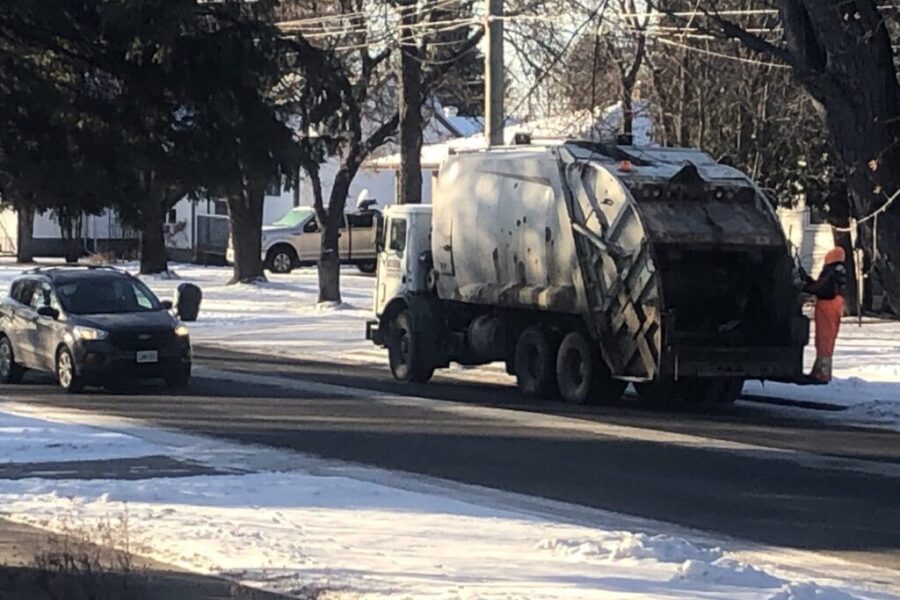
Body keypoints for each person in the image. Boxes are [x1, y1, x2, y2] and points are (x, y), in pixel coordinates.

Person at [802, 247, 848, 382]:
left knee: (824, 338)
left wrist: (806, 286)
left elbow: (821, 287)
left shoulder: (831, 270)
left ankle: (822, 372)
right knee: (825, 338)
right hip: (832, 305)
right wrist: (809, 281)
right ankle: (820, 370)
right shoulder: (839, 271)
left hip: (827, 306)